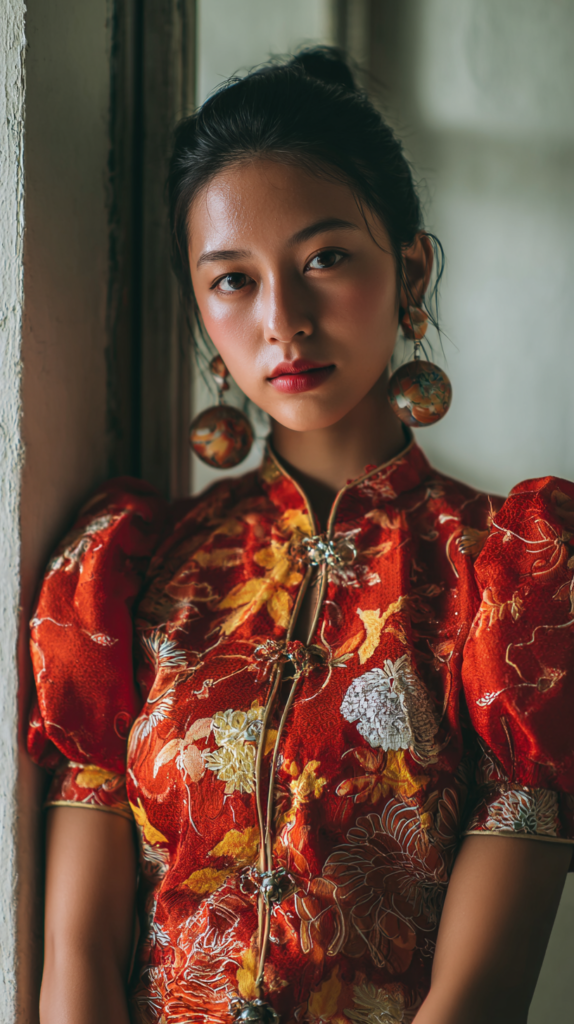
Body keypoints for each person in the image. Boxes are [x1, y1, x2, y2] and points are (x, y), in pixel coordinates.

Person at [30, 48, 574, 1024]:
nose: (282, 319)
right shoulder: (136, 571)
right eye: (233, 280)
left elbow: (480, 996)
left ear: (409, 268)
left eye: (324, 257)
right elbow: (73, 956)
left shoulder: (506, 577)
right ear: (199, 308)